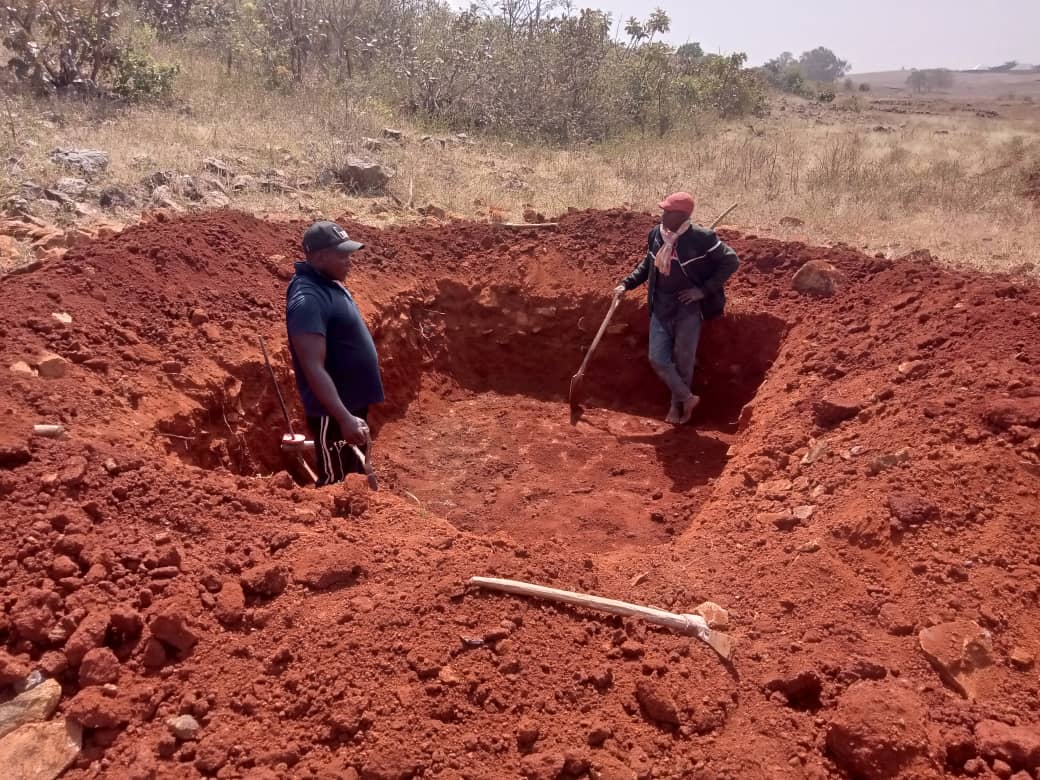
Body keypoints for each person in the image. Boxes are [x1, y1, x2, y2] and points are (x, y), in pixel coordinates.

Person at [614, 192, 739, 425]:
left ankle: (678, 408)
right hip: (661, 305)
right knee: (658, 358)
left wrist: (703, 290)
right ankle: (686, 398)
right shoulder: (657, 235)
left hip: (688, 309)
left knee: (683, 360)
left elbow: (731, 261)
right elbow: (647, 264)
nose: (662, 215)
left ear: (682, 216)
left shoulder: (702, 238)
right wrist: (626, 284)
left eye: (668, 212)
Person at [285, 220, 384, 486]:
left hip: (349, 408)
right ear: (318, 256)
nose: (349, 260)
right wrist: (343, 417)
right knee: (336, 482)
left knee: (354, 473)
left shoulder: (328, 283)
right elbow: (312, 366)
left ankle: (361, 522)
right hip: (334, 414)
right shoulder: (307, 299)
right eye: (342, 254)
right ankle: (335, 526)